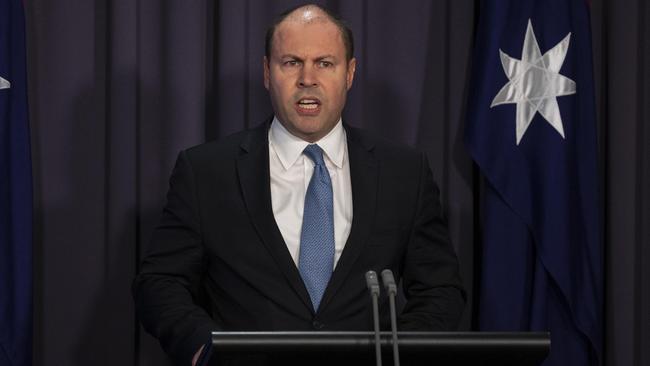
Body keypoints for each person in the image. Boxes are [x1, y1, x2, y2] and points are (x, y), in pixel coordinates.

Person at [133, 4, 465, 366]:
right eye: (291, 62)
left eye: (325, 63)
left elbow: (440, 289)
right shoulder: (206, 171)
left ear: (350, 73)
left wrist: (401, 356)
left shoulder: (404, 172)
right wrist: (204, 349)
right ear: (266, 72)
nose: (308, 78)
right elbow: (160, 282)